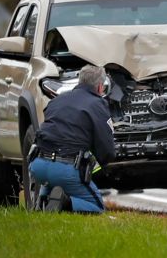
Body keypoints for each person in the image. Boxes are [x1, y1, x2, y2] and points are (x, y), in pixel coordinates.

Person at [29, 65, 116, 212]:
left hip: (38, 166)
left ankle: (43, 201)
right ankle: (65, 202)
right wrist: (103, 166)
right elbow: (106, 150)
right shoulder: (98, 104)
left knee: (52, 177)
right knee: (97, 206)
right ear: (100, 87)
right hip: (66, 169)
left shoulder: (57, 100)